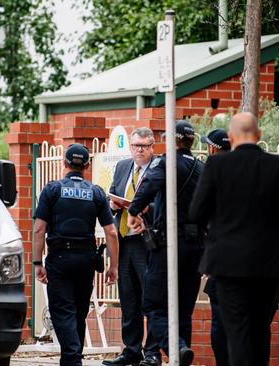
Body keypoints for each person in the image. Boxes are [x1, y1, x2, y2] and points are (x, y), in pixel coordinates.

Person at [192, 112, 279, 366]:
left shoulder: (216, 166)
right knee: (260, 329)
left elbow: (196, 213)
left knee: (237, 332)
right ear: (258, 136)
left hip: (228, 264)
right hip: (270, 265)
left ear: (231, 137)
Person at [32, 143, 120, 366]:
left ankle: (72, 360)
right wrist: (114, 266)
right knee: (78, 313)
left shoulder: (51, 190)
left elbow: (39, 229)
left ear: (64, 163)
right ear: (88, 165)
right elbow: (111, 231)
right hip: (86, 261)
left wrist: (36, 262)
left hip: (60, 260)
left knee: (63, 312)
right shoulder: (96, 192)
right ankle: (72, 359)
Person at [126, 120, 204, 366]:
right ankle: (182, 355)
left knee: (153, 303)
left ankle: (177, 347)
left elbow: (149, 185)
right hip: (196, 246)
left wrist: (134, 210)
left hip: (169, 243)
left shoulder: (166, 162)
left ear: (172, 139)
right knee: (183, 310)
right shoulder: (201, 168)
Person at [103, 128, 159, 366]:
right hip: (124, 240)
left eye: (144, 146)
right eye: (136, 146)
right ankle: (131, 350)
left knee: (150, 298)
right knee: (128, 298)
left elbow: (165, 203)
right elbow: (113, 194)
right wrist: (113, 205)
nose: (139, 150)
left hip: (147, 241)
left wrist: (146, 209)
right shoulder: (124, 166)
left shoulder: (159, 168)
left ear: (152, 146)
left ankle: (153, 352)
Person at [189, 128, 231, 366]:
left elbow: (199, 215)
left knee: (219, 322)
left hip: (220, 258)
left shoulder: (211, 172)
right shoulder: (243, 171)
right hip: (250, 261)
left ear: (213, 148)